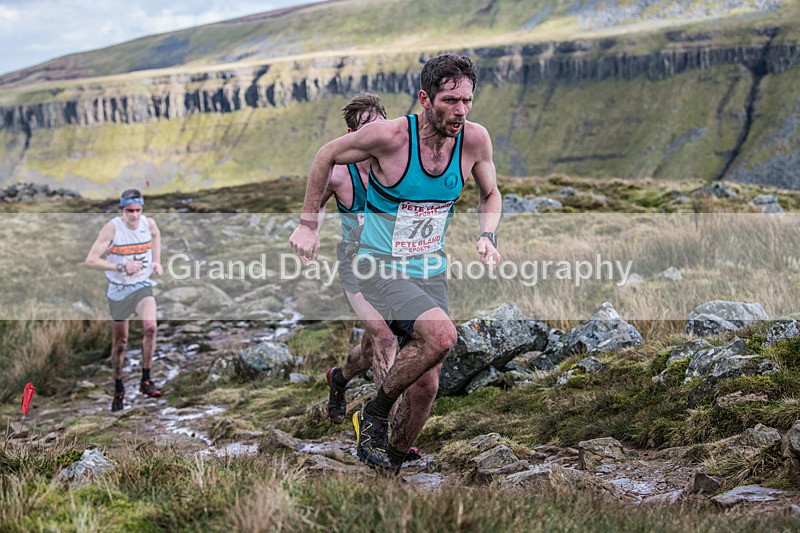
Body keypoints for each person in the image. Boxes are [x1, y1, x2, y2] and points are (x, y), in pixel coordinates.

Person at [290, 54, 502, 473]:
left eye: (467, 100)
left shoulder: (475, 140)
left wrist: (487, 235)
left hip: (429, 270)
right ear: (425, 98)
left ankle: (389, 465)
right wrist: (308, 224)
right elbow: (325, 155)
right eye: (449, 100)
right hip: (376, 266)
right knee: (441, 336)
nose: (460, 110)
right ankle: (374, 412)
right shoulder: (389, 137)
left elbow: (490, 194)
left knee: (426, 385)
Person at [314, 93, 399, 426]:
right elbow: (315, 205)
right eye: (364, 129)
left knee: (369, 350)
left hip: (392, 264)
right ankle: (384, 429)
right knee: (384, 338)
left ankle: (339, 378)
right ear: (351, 135)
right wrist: (310, 231)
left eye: (377, 126)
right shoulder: (339, 175)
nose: (371, 135)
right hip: (355, 264)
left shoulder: (396, 166)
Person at [85, 188, 163, 411]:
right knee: (120, 344)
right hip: (119, 290)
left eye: (139, 210)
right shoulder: (112, 228)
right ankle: (118, 386)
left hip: (141, 285)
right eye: (130, 210)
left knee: (150, 327)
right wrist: (120, 266)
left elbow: (156, 236)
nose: (135, 215)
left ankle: (146, 380)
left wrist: (156, 261)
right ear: (122, 209)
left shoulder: (149, 224)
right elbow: (90, 260)